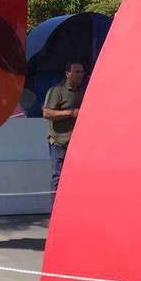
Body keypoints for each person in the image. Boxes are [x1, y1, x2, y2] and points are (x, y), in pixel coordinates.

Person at [42, 62, 86, 193]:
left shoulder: (81, 92)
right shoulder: (57, 91)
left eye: (82, 72)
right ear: (67, 74)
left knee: (74, 178)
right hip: (59, 142)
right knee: (58, 177)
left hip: (76, 143)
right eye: (76, 72)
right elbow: (47, 113)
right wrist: (70, 113)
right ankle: (54, 211)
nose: (80, 75)